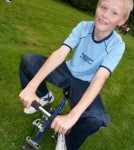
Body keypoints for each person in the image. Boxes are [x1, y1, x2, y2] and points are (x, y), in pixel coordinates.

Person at [19, 0, 133, 149]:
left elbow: (100, 77)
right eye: (103, 7)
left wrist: (72, 116)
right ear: (97, 6)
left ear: (122, 21)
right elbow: (60, 54)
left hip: (85, 84)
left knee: (98, 118)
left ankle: (67, 140)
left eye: (114, 13)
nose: (105, 15)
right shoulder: (83, 26)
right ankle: (44, 96)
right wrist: (31, 87)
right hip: (67, 71)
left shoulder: (117, 45)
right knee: (29, 60)